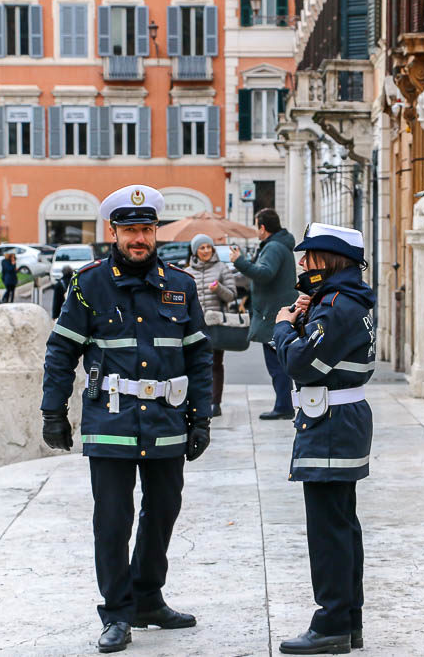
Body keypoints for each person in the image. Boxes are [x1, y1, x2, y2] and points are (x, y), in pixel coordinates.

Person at [41, 184, 213, 654]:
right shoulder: (88, 283)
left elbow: (199, 356)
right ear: (112, 232)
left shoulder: (180, 283)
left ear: (155, 232)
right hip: (110, 422)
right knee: (112, 521)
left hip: (165, 421)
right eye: (130, 230)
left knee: (162, 513)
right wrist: (53, 411)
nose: (139, 238)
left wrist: (202, 417)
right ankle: (116, 613)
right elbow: (61, 352)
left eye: (146, 229)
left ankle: (148, 598)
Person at [273, 223, 376, 655]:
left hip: (331, 421)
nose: (302, 264)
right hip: (340, 418)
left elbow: (301, 363)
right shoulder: (339, 300)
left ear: (330, 262)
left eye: (309, 257)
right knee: (342, 525)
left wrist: (283, 326)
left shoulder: (335, 305)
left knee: (329, 530)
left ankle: (332, 623)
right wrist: (306, 313)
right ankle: (348, 621)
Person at [229, 209, 299, 420]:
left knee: (277, 365)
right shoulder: (278, 246)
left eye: (256, 225)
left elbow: (264, 274)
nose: (256, 231)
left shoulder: (274, 247)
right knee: (280, 363)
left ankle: (284, 406)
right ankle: (284, 404)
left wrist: (239, 261)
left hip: (273, 314)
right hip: (275, 311)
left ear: (263, 227)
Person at [184, 233, 236, 418]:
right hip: (194, 326)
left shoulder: (222, 268)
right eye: (202, 248)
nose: (206, 251)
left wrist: (218, 289)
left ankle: (215, 403)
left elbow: (231, 295)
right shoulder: (188, 272)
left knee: (215, 364)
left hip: (215, 325)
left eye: (208, 247)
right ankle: (197, 400)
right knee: (195, 364)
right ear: (195, 251)